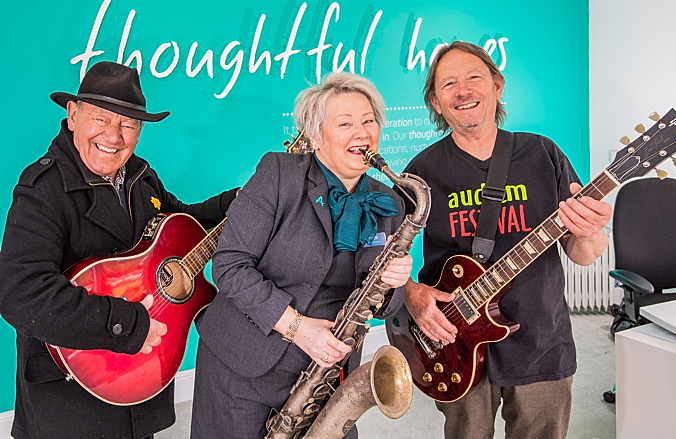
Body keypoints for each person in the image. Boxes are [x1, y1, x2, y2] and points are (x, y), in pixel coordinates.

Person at [0, 61, 238, 439]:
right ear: (73, 115)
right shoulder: (41, 189)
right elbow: (20, 292)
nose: (113, 135)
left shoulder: (141, 177)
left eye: (128, 124)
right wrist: (127, 324)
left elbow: (182, 226)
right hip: (70, 403)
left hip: (138, 385)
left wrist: (240, 201)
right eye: (101, 118)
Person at [400, 41, 613, 439]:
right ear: (436, 102)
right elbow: (382, 255)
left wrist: (590, 231)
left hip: (540, 338)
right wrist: (412, 294)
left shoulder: (543, 154)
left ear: (497, 86)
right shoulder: (422, 171)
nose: (463, 91)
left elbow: (583, 254)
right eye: (448, 84)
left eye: (474, 78)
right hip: (455, 343)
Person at [190, 72, 413, 439]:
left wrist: (396, 284)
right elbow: (229, 267)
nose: (362, 134)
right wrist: (299, 328)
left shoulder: (388, 203)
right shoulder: (278, 174)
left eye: (368, 121)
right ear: (315, 135)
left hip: (325, 374)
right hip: (245, 364)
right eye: (345, 124)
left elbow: (384, 307)